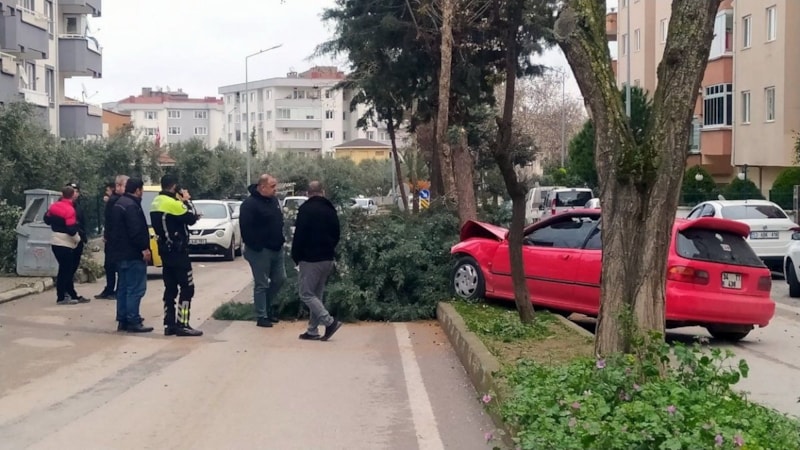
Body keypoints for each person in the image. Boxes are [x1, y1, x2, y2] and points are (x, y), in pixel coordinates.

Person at [150, 175, 203, 337]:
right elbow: (192, 217)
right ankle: (183, 324)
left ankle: (169, 324)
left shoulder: (156, 202)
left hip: (165, 252)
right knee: (187, 288)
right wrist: (186, 200)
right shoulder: (173, 204)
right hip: (179, 252)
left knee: (170, 289)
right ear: (174, 187)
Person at [290, 181, 343, 341]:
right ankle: (312, 330)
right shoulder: (330, 209)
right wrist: (330, 248)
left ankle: (330, 322)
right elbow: (337, 233)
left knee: (306, 294)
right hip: (327, 258)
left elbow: (299, 235)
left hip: (310, 259)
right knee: (316, 295)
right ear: (323, 192)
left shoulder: (305, 210)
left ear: (308, 193)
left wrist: (296, 256)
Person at [239, 174, 286, 328]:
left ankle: (267, 306)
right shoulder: (249, 204)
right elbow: (245, 228)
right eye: (272, 186)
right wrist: (256, 246)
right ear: (262, 187)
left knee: (280, 279)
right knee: (262, 284)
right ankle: (262, 315)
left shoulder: (274, 201)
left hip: (277, 248)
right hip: (260, 251)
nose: (275, 189)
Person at [108, 177, 153, 333]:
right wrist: (144, 248)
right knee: (135, 289)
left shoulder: (118, 204)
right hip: (133, 254)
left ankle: (123, 320)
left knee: (123, 288)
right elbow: (136, 230)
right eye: (142, 190)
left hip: (119, 253)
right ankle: (133, 320)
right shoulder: (132, 206)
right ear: (138, 190)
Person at [43, 186, 86, 305]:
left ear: (62, 194)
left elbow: (47, 220)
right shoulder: (70, 210)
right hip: (65, 243)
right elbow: (71, 229)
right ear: (72, 195)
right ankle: (62, 296)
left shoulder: (53, 206)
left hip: (55, 240)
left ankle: (66, 295)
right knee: (66, 271)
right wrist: (78, 237)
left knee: (63, 269)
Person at [96, 176, 128, 300]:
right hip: (114, 238)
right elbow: (110, 221)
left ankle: (111, 289)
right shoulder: (118, 200)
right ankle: (113, 290)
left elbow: (109, 221)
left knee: (111, 265)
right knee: (114, 265)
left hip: (112, 238)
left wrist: (107, 235)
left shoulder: (114, 200)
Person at [65, 182, 89, 302]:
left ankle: (71, 292)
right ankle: (66, 292)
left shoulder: (77, 206)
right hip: (69, 240)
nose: (75, 194)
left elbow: (82, 223)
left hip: (78, 240)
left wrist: (83, 237)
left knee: (73, 267)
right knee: (67, 268)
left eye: (76, 191)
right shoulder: (64, 206)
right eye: (72, 191)